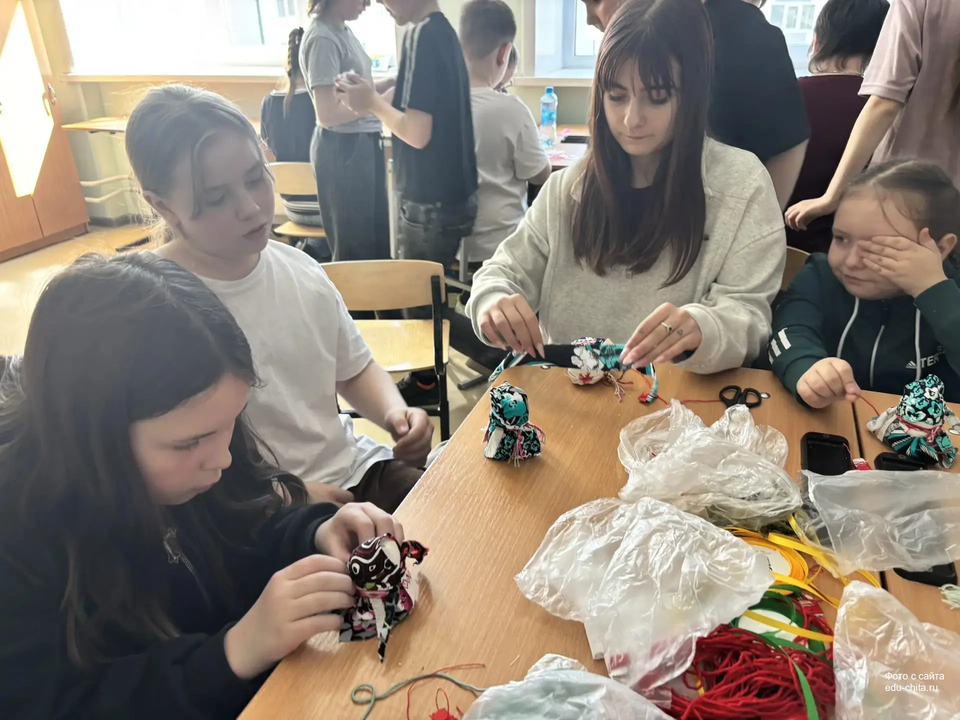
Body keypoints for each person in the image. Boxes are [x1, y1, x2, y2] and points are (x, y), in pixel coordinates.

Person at [0, 252, 403, 718]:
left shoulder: (198, 437)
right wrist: (232, 653)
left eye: (231, 422)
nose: (224, 459)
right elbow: (58, 704)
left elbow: (247, 522)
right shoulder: (21, 536)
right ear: (92, 437)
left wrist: (314, 533)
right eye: (189, 443)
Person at [128, 85, 433, 512]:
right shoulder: (150, 304)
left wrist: (395, 414)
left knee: (451, 516)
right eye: (217, 198)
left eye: (256, 178)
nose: (251, 207)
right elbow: (163, 466)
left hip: (353, 470)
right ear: (163, 206)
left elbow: (353, 368)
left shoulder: (300, 267)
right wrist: (289, 495)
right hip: (253, 508)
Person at [466, 0, 786, 374]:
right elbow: (503, 271)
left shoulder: (742, 185)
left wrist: (704, 328)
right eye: (616, 96)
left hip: (677, 401)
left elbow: (749, 317)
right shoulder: (569, 187)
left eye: (657, 97)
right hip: (569, 395)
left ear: (693, 92)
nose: (632, 119)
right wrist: (493, 300)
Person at [334, 0, 478, 404]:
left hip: (431, 202)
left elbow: (416, 132)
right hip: (445, 195)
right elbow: (416, 95)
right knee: (424, 300)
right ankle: (431, 379)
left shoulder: (427, 36)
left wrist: (370, 102)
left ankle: (497, 353)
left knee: (418, 305)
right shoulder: (435, 32)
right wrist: (375, 91)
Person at [580, 0, 809, 210]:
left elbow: (788, 142)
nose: (589, 18)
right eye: (617, 96)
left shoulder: (742, 31)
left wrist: (754, 221)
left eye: (596, 1)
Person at [771, 159, 960, 407]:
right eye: (841, 238)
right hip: (829, 417)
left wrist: (934, 292)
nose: (851, 262)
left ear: (941, 249)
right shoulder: (820, 275)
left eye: (879, 249)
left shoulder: (952, 293)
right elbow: (790, 330)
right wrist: (805, 367)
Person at [787, 0, 960, 232]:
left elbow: (885, 103)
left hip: (904, 197)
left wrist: (832, 196)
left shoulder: (789, 96)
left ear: (816, 40)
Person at [784, 0, 888, 255]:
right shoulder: (888, 111)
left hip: (772, 248)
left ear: (817, 39)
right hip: (851, 258)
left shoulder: (782, 95)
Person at [300, 0, 394, 261]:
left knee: (376, 238)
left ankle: (378, 289)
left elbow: (354, 92)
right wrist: (379, 103)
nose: (368, 3)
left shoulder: (342, 31)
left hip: (362, 142)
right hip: (343, 148)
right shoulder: (322, 39)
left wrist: (388, 83)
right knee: (355, 246)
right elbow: (327, 114)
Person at [460, 0, 551, 265]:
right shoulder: (512, 109)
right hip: (500, 248)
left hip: (446, 246)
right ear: (504, 53)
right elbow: (541, 174)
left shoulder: (434, 104)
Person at [260, 28, 325, 236]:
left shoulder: (269, 102)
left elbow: (268, 153)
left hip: (293, 208)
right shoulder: (323, 104)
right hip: (328, 209)